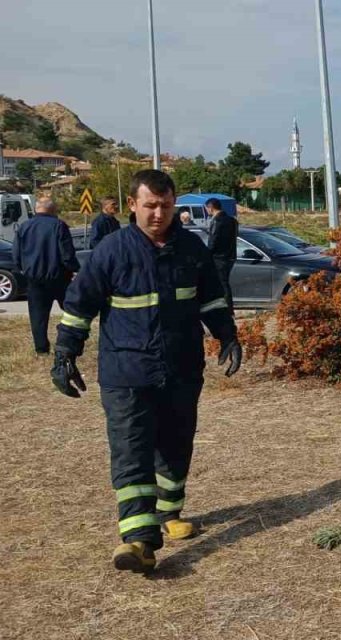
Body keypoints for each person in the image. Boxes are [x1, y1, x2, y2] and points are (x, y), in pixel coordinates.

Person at [52, 169, 242, 574]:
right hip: (126, 371)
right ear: (132, 205)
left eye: (166, 206)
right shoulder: (112, 251)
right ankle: (139, 539)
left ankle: (170, 511)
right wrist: (65, 352)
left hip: (181, 367)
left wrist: (227, 335)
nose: (158, 213)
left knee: (176, 443)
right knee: (131, 449)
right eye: (150, 205)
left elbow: (211, 298)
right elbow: (79, 306)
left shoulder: (191, 249)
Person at [13, 196, 79, 354]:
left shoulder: (24, 227)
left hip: (34, 279)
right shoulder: (59, 226)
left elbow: (16, 254)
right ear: (53, 209)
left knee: (38, 316)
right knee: (72, 311)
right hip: (59, 278)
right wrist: (75, 269)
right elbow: (67, 253)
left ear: (36, 209)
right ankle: (70, 342)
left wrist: (23, 269)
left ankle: (41, 349)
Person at [206, 197, 237, 310]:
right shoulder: (232, 220)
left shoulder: (216, 221)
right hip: (230, 256)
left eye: (207, 209)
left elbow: (213, 241)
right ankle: (226, 308)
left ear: (210, 208)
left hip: (218, 257)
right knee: (224, 282)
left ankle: (228, 309)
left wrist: (206, 254)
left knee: (222, 283)